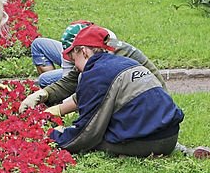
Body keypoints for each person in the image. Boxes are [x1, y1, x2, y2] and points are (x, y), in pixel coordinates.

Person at [47, 25, 184, 157]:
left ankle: (135, 151)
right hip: (171, 136)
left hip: (150, 143)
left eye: (74, 59)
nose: (75, 66)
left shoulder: (95, 74)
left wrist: (56, 135)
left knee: (97, 140)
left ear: (84, 51)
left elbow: (87, 133)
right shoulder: (125, 62)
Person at [22, 22, 167, 111]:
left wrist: (59, 110)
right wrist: (44, 94)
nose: (72, 61)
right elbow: (71, 79)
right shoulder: (99, 49)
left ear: (83, 50)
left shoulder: (113, 59)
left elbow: (93, 93)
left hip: (149, 104)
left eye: (73, 56)